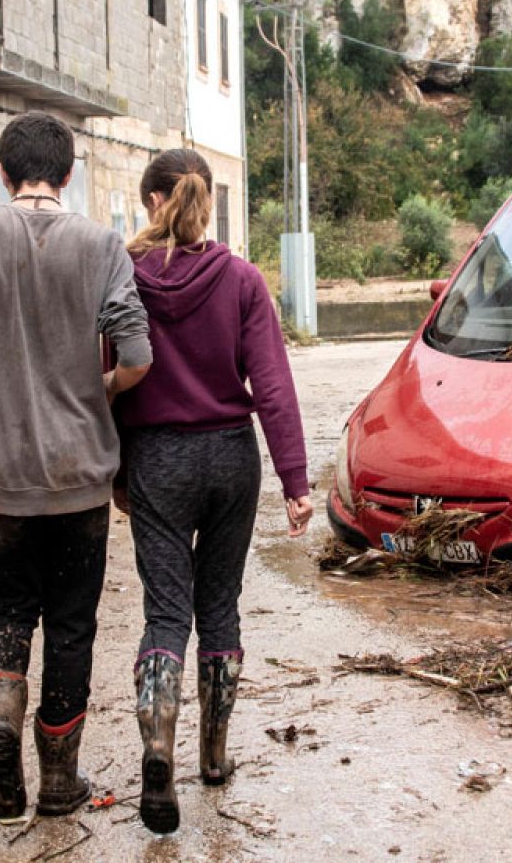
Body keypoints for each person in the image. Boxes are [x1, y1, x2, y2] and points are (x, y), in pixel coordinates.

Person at [0, 112, 151, 822]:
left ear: (2, 172)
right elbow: (138, 356)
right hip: (80, 471)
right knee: (73, 626)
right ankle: (59, 781)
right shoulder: (101, 243)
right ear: (68, 173)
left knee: (8, 610)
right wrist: (102, 390)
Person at [114, 149, 313, 833]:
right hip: (231, 456)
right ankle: (215, 756)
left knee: (166, 613)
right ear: (205, 202)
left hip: (156, 458)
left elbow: (105, 376)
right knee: (219, 607)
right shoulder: (241, 279)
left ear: (150, 202)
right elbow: (275, 386)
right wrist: (295, 480)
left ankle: (158, 746)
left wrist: (116, 473)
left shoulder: (126, 279)